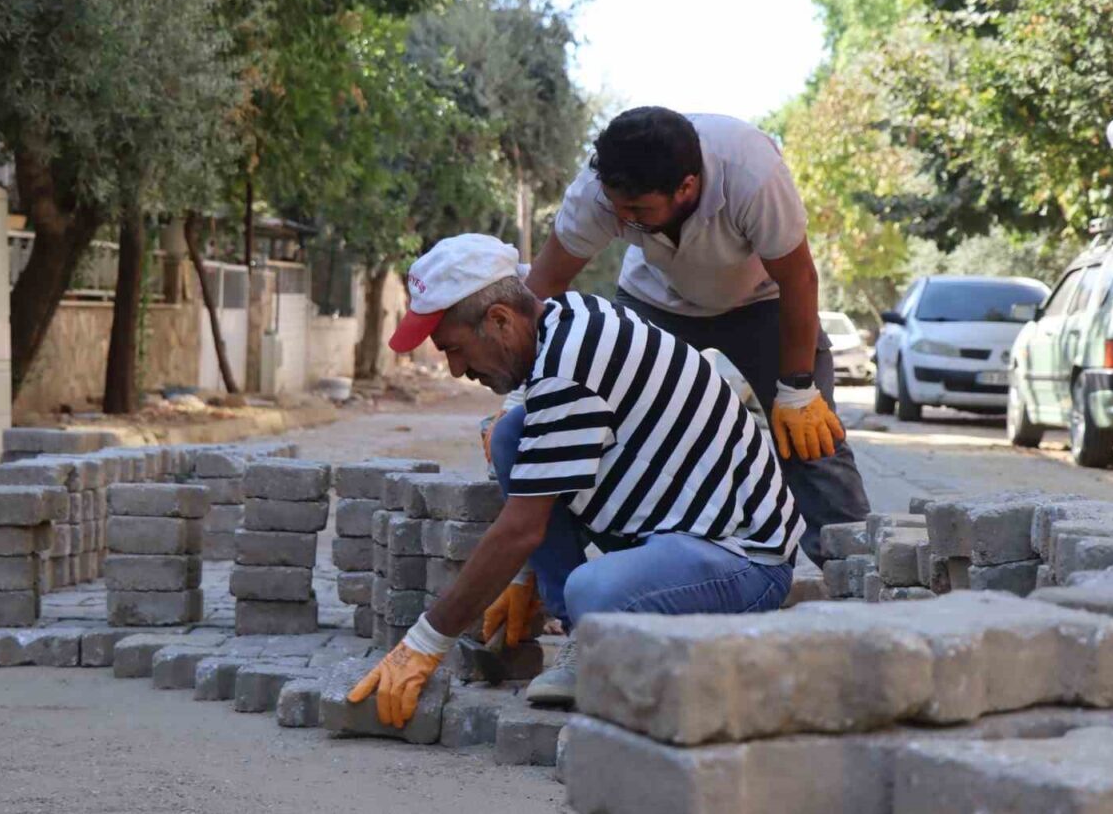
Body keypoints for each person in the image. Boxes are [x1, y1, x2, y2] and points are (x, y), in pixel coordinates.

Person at [347, 234, 800, 726]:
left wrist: (424, 643)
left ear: (499, 319)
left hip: (744, 560)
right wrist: (523, 575)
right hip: (677, 531)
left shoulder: (571, 370)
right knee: (511, 435)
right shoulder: (567, 318)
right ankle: (583, 633)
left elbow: (522, 527)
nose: (457, 370)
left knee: (595, 592)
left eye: (455, 350)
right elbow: (539, 470)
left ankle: (596, 636)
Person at [487, 106, 870, 576]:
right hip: (655, 301)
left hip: (761, 303)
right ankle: (628, 579)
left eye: (638, 211)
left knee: (811, 439)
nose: (622, 219)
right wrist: (521, 394)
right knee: (611, 429)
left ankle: (860, 575)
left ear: (686, 187)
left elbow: (799, 279)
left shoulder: (752, 174)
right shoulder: (598, 194)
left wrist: (795, 387)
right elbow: (541, 290)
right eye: (617, 208)